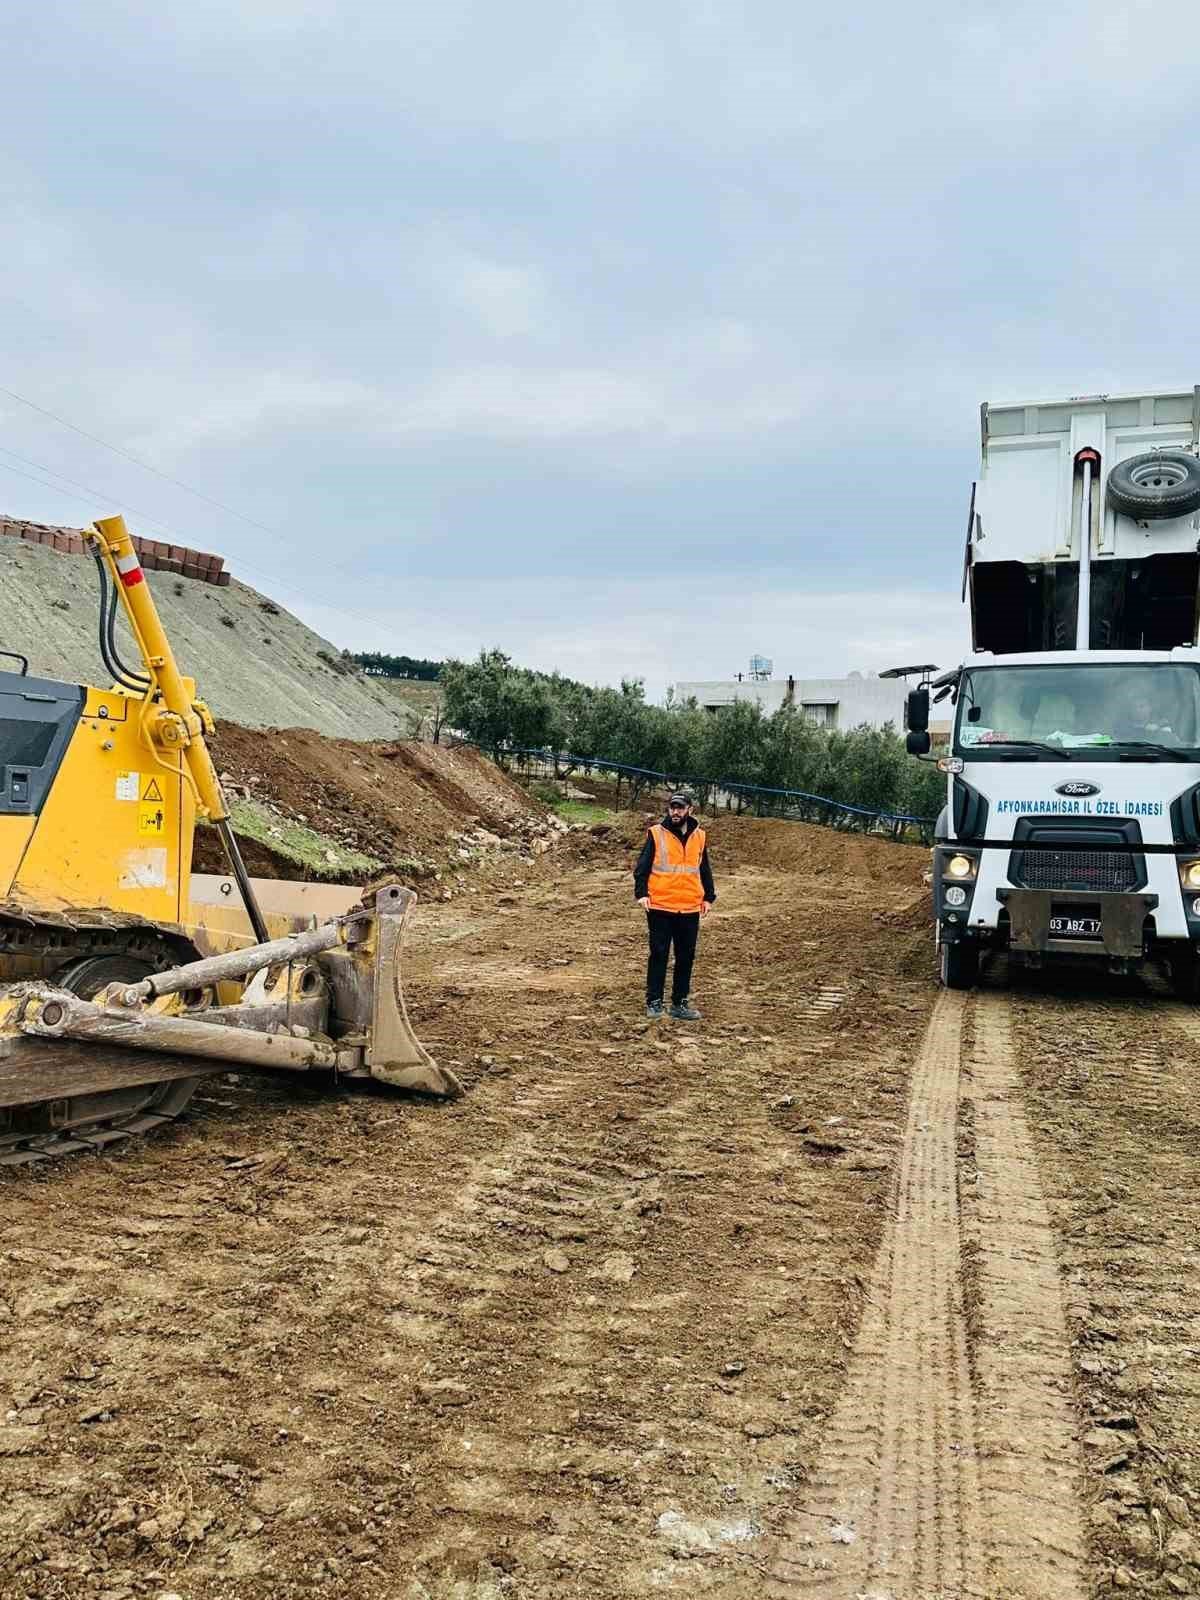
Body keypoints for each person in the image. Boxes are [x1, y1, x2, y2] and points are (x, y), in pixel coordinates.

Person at [634, 792, 716, 1021]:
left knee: (685, 956)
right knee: (659, 954)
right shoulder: (656, 833)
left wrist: (709, 896)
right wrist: (641, 893)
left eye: (680, 808)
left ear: (690, 809)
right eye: (672, 807)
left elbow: (704, 868)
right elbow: (642, 866)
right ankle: (654, 1002)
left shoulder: (700, 837)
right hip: (660, 906)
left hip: (689, 907)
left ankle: (680, 1003)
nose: (675, 812)